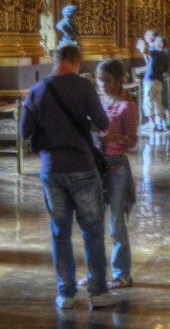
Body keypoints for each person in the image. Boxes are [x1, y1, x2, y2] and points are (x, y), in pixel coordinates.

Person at [21, 44, 123, 309]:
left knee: (60, 233)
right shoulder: (83, 86)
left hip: (51, 170)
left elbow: (24, 131)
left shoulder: (37, 90)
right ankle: (98, 292)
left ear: (54, 60)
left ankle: (65, 294)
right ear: (77, 60)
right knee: (92, 231)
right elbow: (103, 123)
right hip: (82, 167)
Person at [95, 59, 139, 288]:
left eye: (108, 80)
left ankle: (123, 273)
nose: (103, 85)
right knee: (93, 221)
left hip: (116, 167)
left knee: (116, 222)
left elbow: (132, 141)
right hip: (97, 166)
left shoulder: (127, 107)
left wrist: (116, 137)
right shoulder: (99, 102)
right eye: (100, 80)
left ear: (119, 80)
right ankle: (95, 273)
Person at [141, 29, 170, 132]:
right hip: (159, 81)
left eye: (156, 41)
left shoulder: (157, 53)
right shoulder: (165, 55)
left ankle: (152, 124)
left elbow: (145, 51)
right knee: (158, 104)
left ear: (161, 44)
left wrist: (141, 45)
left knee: (148, 103)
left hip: (150, 81)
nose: (154, 42)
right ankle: (165, 124)